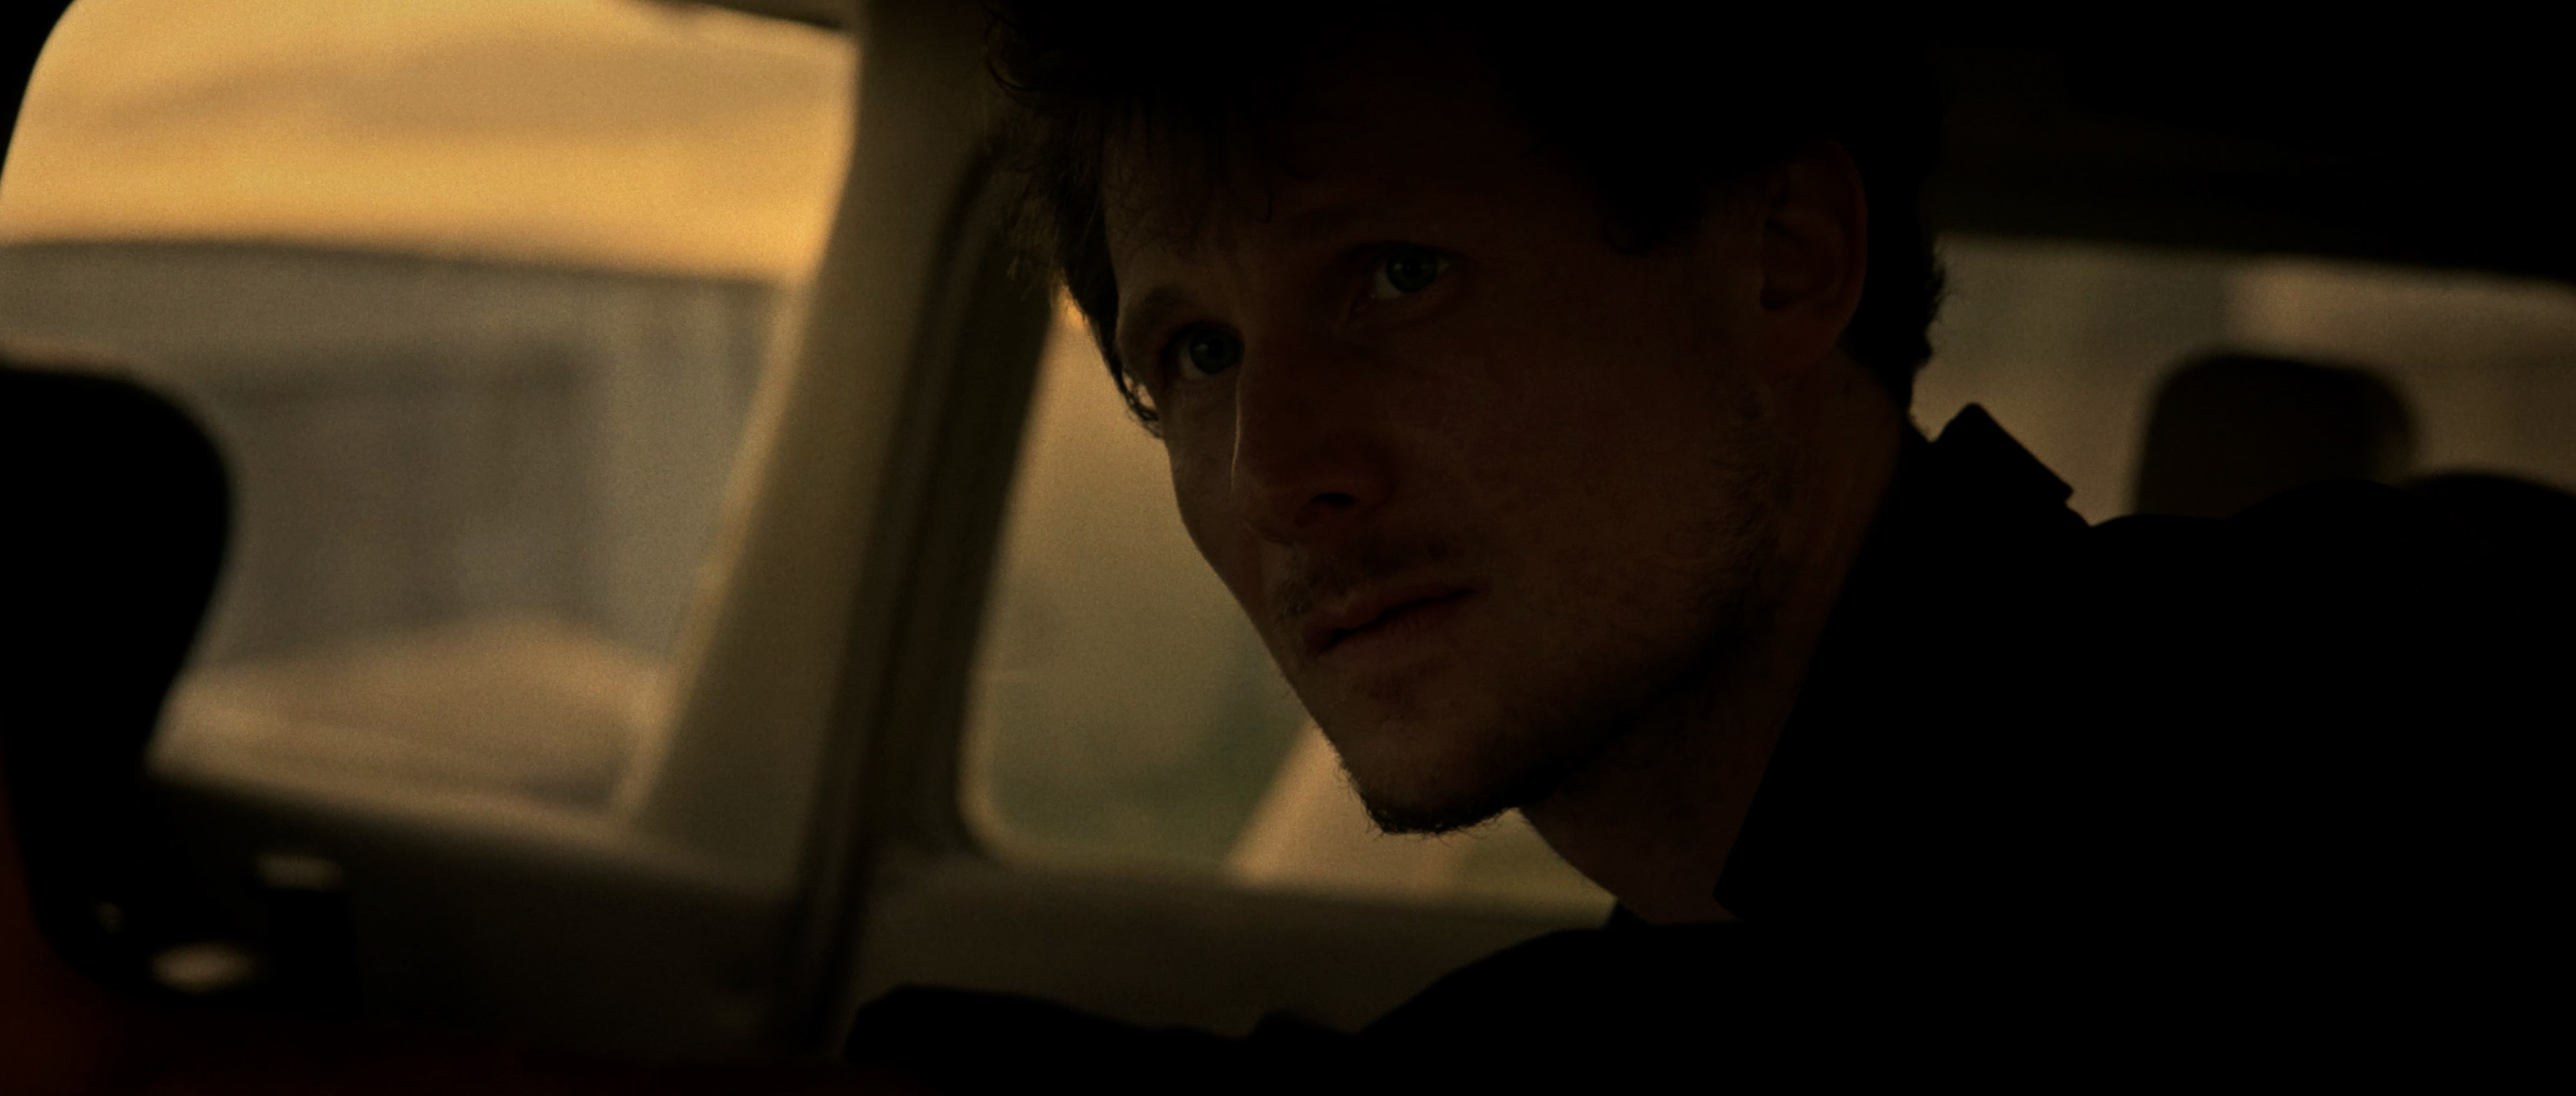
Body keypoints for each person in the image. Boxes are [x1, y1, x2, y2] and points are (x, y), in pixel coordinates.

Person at [3, 4, 2561, 1091]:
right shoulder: (1699, 947)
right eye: (1195, 352)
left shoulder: (2366, 724)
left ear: (1787, 261)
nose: (1273, 468)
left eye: (1399, 279)